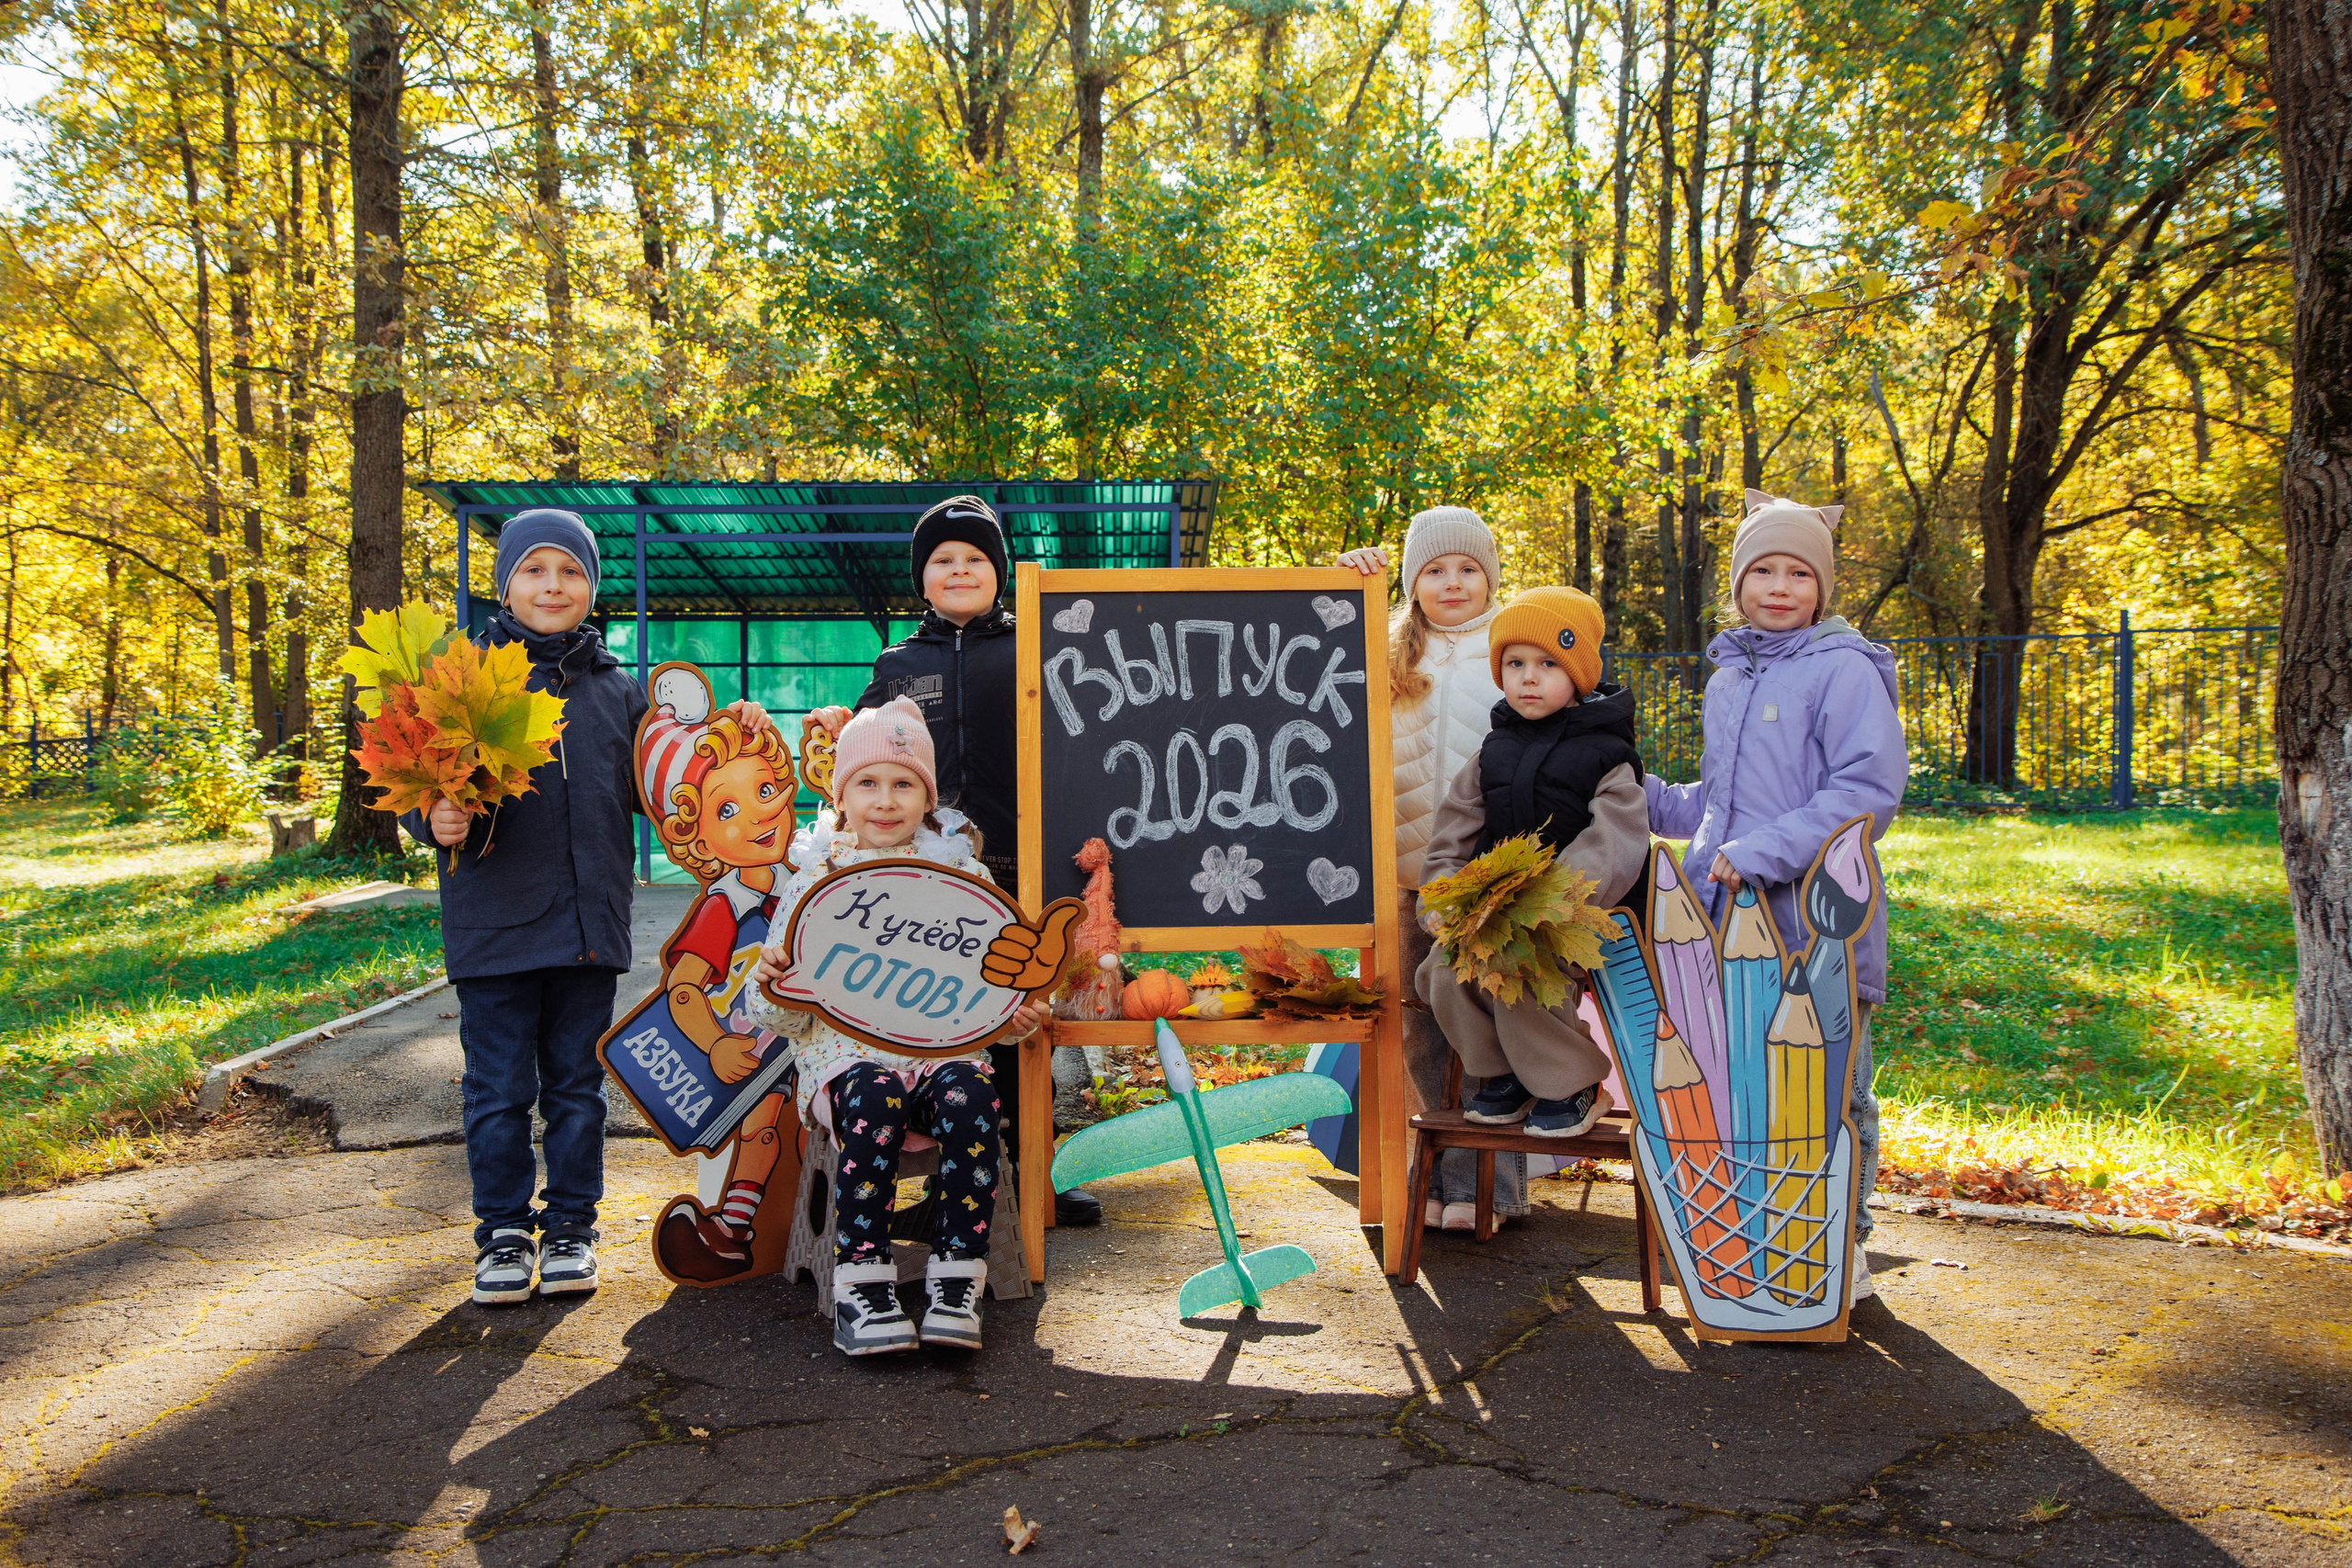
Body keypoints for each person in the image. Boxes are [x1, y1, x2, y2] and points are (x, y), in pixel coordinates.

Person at [403, 509, 774, 1305]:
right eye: (534, 570)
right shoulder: (465, 684)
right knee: (498, 1091)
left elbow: (669, 781)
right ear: (505, 585)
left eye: (571, 571)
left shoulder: (616, 691)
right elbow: (414, 776)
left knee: (576, 1088)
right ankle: (503, 1233)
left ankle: (572, 1226)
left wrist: (736, 735)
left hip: (587, 931)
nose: (554, 585)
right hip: (494, 931)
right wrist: (431, 818)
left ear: (592, 587)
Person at [807, 495, 1102, 1227]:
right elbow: (867, 743)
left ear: (999, 573)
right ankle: (955, 1181)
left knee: (1023, 1019)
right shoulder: (898, 661)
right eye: (944, 559)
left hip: (1022, 866)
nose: (960, 569)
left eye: (976, 558)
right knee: (947, 1024)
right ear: (923, 577)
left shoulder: (1035, 642)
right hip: (932, 878)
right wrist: (842, 721)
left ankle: (1038, 1173)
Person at [1645, 489, 1905, 1300]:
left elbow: (1865, 792)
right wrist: (1649, 799)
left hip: (1817, 924)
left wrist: (1762, 853)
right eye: (1763, 571)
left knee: (1830, 1089)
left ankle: (1845, 1246)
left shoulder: (1844, 668)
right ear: (1737, 584)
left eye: (1800, 572)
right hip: (1728, 926)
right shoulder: (1733, 674)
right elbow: (1726, 800)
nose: (1781, 587)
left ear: (1823, 586)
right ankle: (1766, 1241)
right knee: (1749, 1092)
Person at [744, 699, 1049, 1355]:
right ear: (841, 795)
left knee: (973, 1096)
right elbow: (777, 1017)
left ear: (928, 799)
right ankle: (862, 1284)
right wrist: (770, 984)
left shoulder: (962, 879)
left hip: (939, 1056)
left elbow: (989, 1000)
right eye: (868, 783)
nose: (885, 801)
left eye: (904, 784)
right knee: (875, 1095)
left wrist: (1018, 1019)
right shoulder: (816, 883)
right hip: (846, 1064)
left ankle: (957, 1278)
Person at [1338, 507, 1532, 1230]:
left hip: (1488, 874)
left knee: (1487, 1024)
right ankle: (1427, 1175)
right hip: (1404, 868)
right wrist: (1343, 582)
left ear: (1491, 577)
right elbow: (1318, 667)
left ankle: (1488, 1188)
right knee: (1415, 1025)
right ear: (1412, 582)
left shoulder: (1511, 647)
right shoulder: (1387, 647)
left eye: (1468, 569)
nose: (1453, 582)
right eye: (1435, 569)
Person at [1414, 586, 1649, 1138]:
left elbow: (1615, 840)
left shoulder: (1608, 754)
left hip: (1581, 914)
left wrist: (1551, 903)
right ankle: (1507, 1073)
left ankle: (1575, 1082)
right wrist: (1442, 896)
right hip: (1494, 910)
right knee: (1443, 971)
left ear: (1578, 674)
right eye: (1515, 664)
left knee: (1520, 968)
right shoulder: (1492, 752)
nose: (1529, 678)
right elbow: (1452, 833)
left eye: (1548, 664)